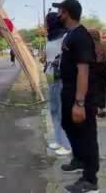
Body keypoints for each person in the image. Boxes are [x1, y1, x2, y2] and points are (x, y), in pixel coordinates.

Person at [53, 0, 99, 193]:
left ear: (68, 13)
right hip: (68, 89)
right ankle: (79, 159)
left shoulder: (80, 36)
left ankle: (90, 180)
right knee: (67, 124)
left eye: (60, 11)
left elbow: (83, 70)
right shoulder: (70, 35)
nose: (58, 15)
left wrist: (79, 103)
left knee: (86, 134)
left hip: (79, 93)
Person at [44, 12, 72, 157]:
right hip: (51, 77)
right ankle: (58, 140)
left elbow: (67, 56)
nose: (45, 24)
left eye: (46, 22)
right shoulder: (49, 38)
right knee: (54, 110)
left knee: (63, 111)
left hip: (62, 77)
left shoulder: (65, 37)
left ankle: (67, 145)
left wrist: (57, 61)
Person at [89, 29, 106, 118]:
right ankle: (101, 109)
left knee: (93, 89)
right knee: (102, 89)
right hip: (102, 68)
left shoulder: (87, 46)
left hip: (92, 69)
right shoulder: (103, 45)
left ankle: (94, 109)